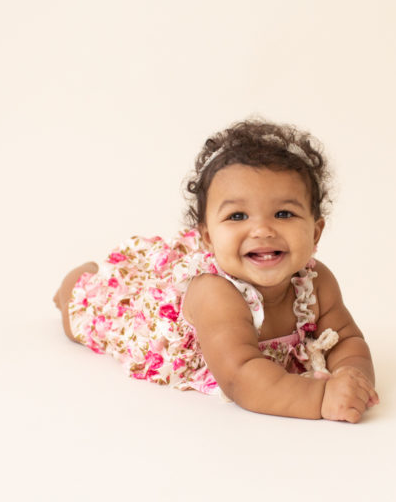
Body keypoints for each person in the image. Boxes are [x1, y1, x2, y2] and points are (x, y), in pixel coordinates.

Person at [53, 119, 378, 423]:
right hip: (144, 324)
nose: (262, 230)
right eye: (238, 216)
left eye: (283, 213)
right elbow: (241, 377)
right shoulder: (216, 294)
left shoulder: (316, 282)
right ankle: (76, 280)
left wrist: (353, 378)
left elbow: (346, 339)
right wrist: (321, 397)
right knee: (88, 308)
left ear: (315, 232)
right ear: (208, 236)